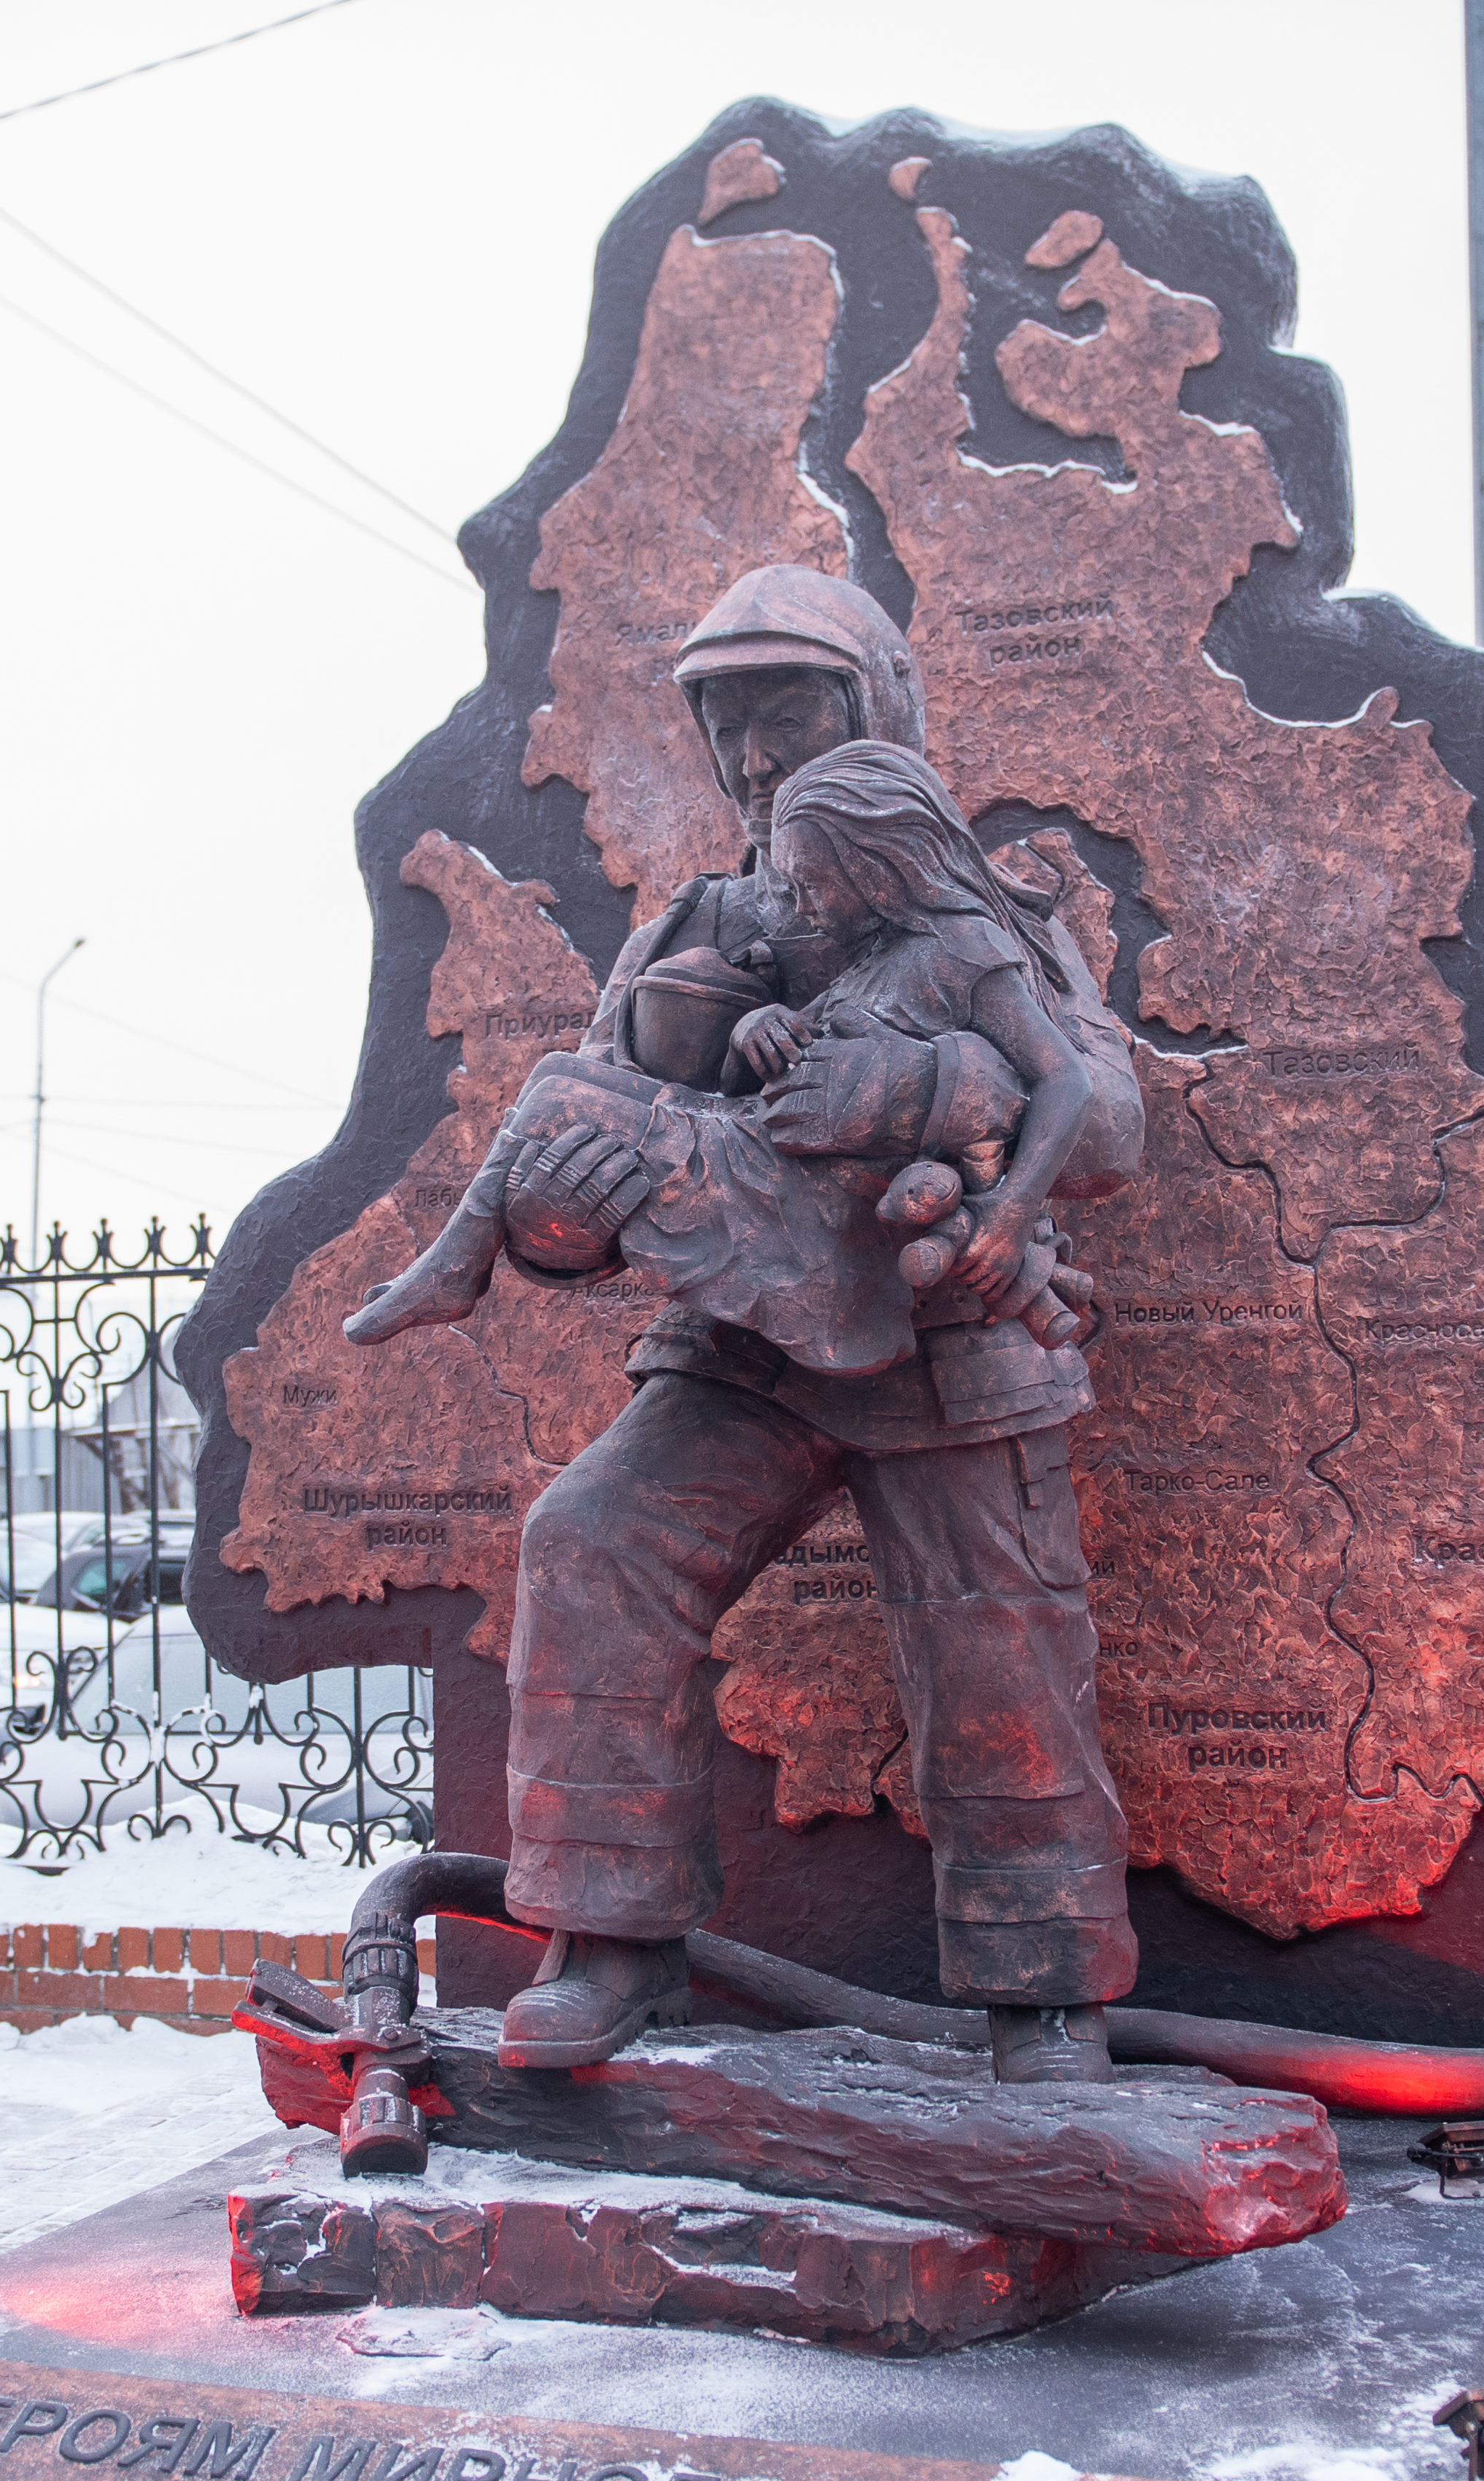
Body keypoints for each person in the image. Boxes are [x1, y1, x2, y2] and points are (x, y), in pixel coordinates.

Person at [346, 569, 1145, 2086]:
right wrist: (567, 1219)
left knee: (1000, 1651)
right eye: (730, 721)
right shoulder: (694, 926)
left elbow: (1103, 1114)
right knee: (589, 1542)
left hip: (952, 1341)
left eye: (789, 709)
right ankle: (611, 1941)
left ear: (872, 709)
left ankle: (1043, 1991)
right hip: (742, 1348)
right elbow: (582, 1163)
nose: (758, 753)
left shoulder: (977, 909)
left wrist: (913, 1093)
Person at [346, 739, 1099, 1367]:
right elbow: (774, 1086)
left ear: (876, 869)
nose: (798, 906)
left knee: (553, 1089)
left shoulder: (966, 948)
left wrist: (1007, 1214)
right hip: (754, 1156)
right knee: (558, 1086)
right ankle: (452, 1263)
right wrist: (753, 1034)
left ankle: (450, 1266)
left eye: (810, 884)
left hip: (807, 1206)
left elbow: (1065, 1083)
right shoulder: (861, 954)